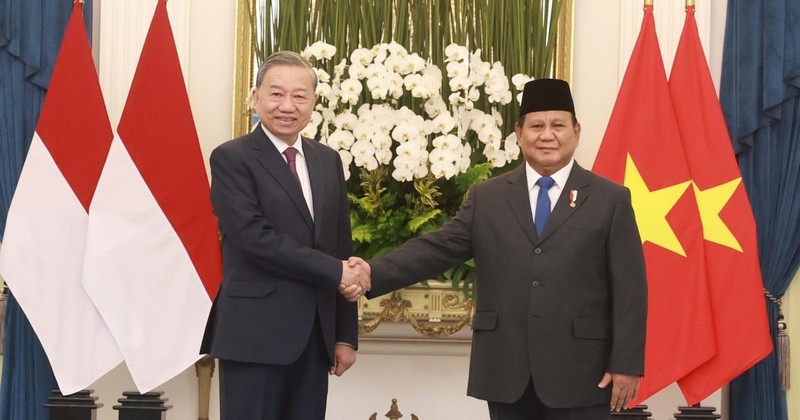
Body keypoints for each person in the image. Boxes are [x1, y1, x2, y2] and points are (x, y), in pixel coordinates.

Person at [350, 79, 647, 420]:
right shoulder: (487, 198)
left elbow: (630, 289)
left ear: (576, 133)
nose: (546, 135)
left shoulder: (610, 199)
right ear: (519, 134)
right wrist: (372, 272)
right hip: (508, 370)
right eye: (536, 126)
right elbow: (438, 248)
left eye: (558, 126)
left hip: (583, 371)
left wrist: (626, 363)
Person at [200, 51, 370, 420]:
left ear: (314, 102)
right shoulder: (232, 158)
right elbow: (252, 238)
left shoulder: (328, 161)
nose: (287, 106)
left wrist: (344, 335)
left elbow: (341, 246)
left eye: (299, 96)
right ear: (255, 97)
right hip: (254, 335)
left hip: (315, 338)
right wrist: (336, 270)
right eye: (276, 94)